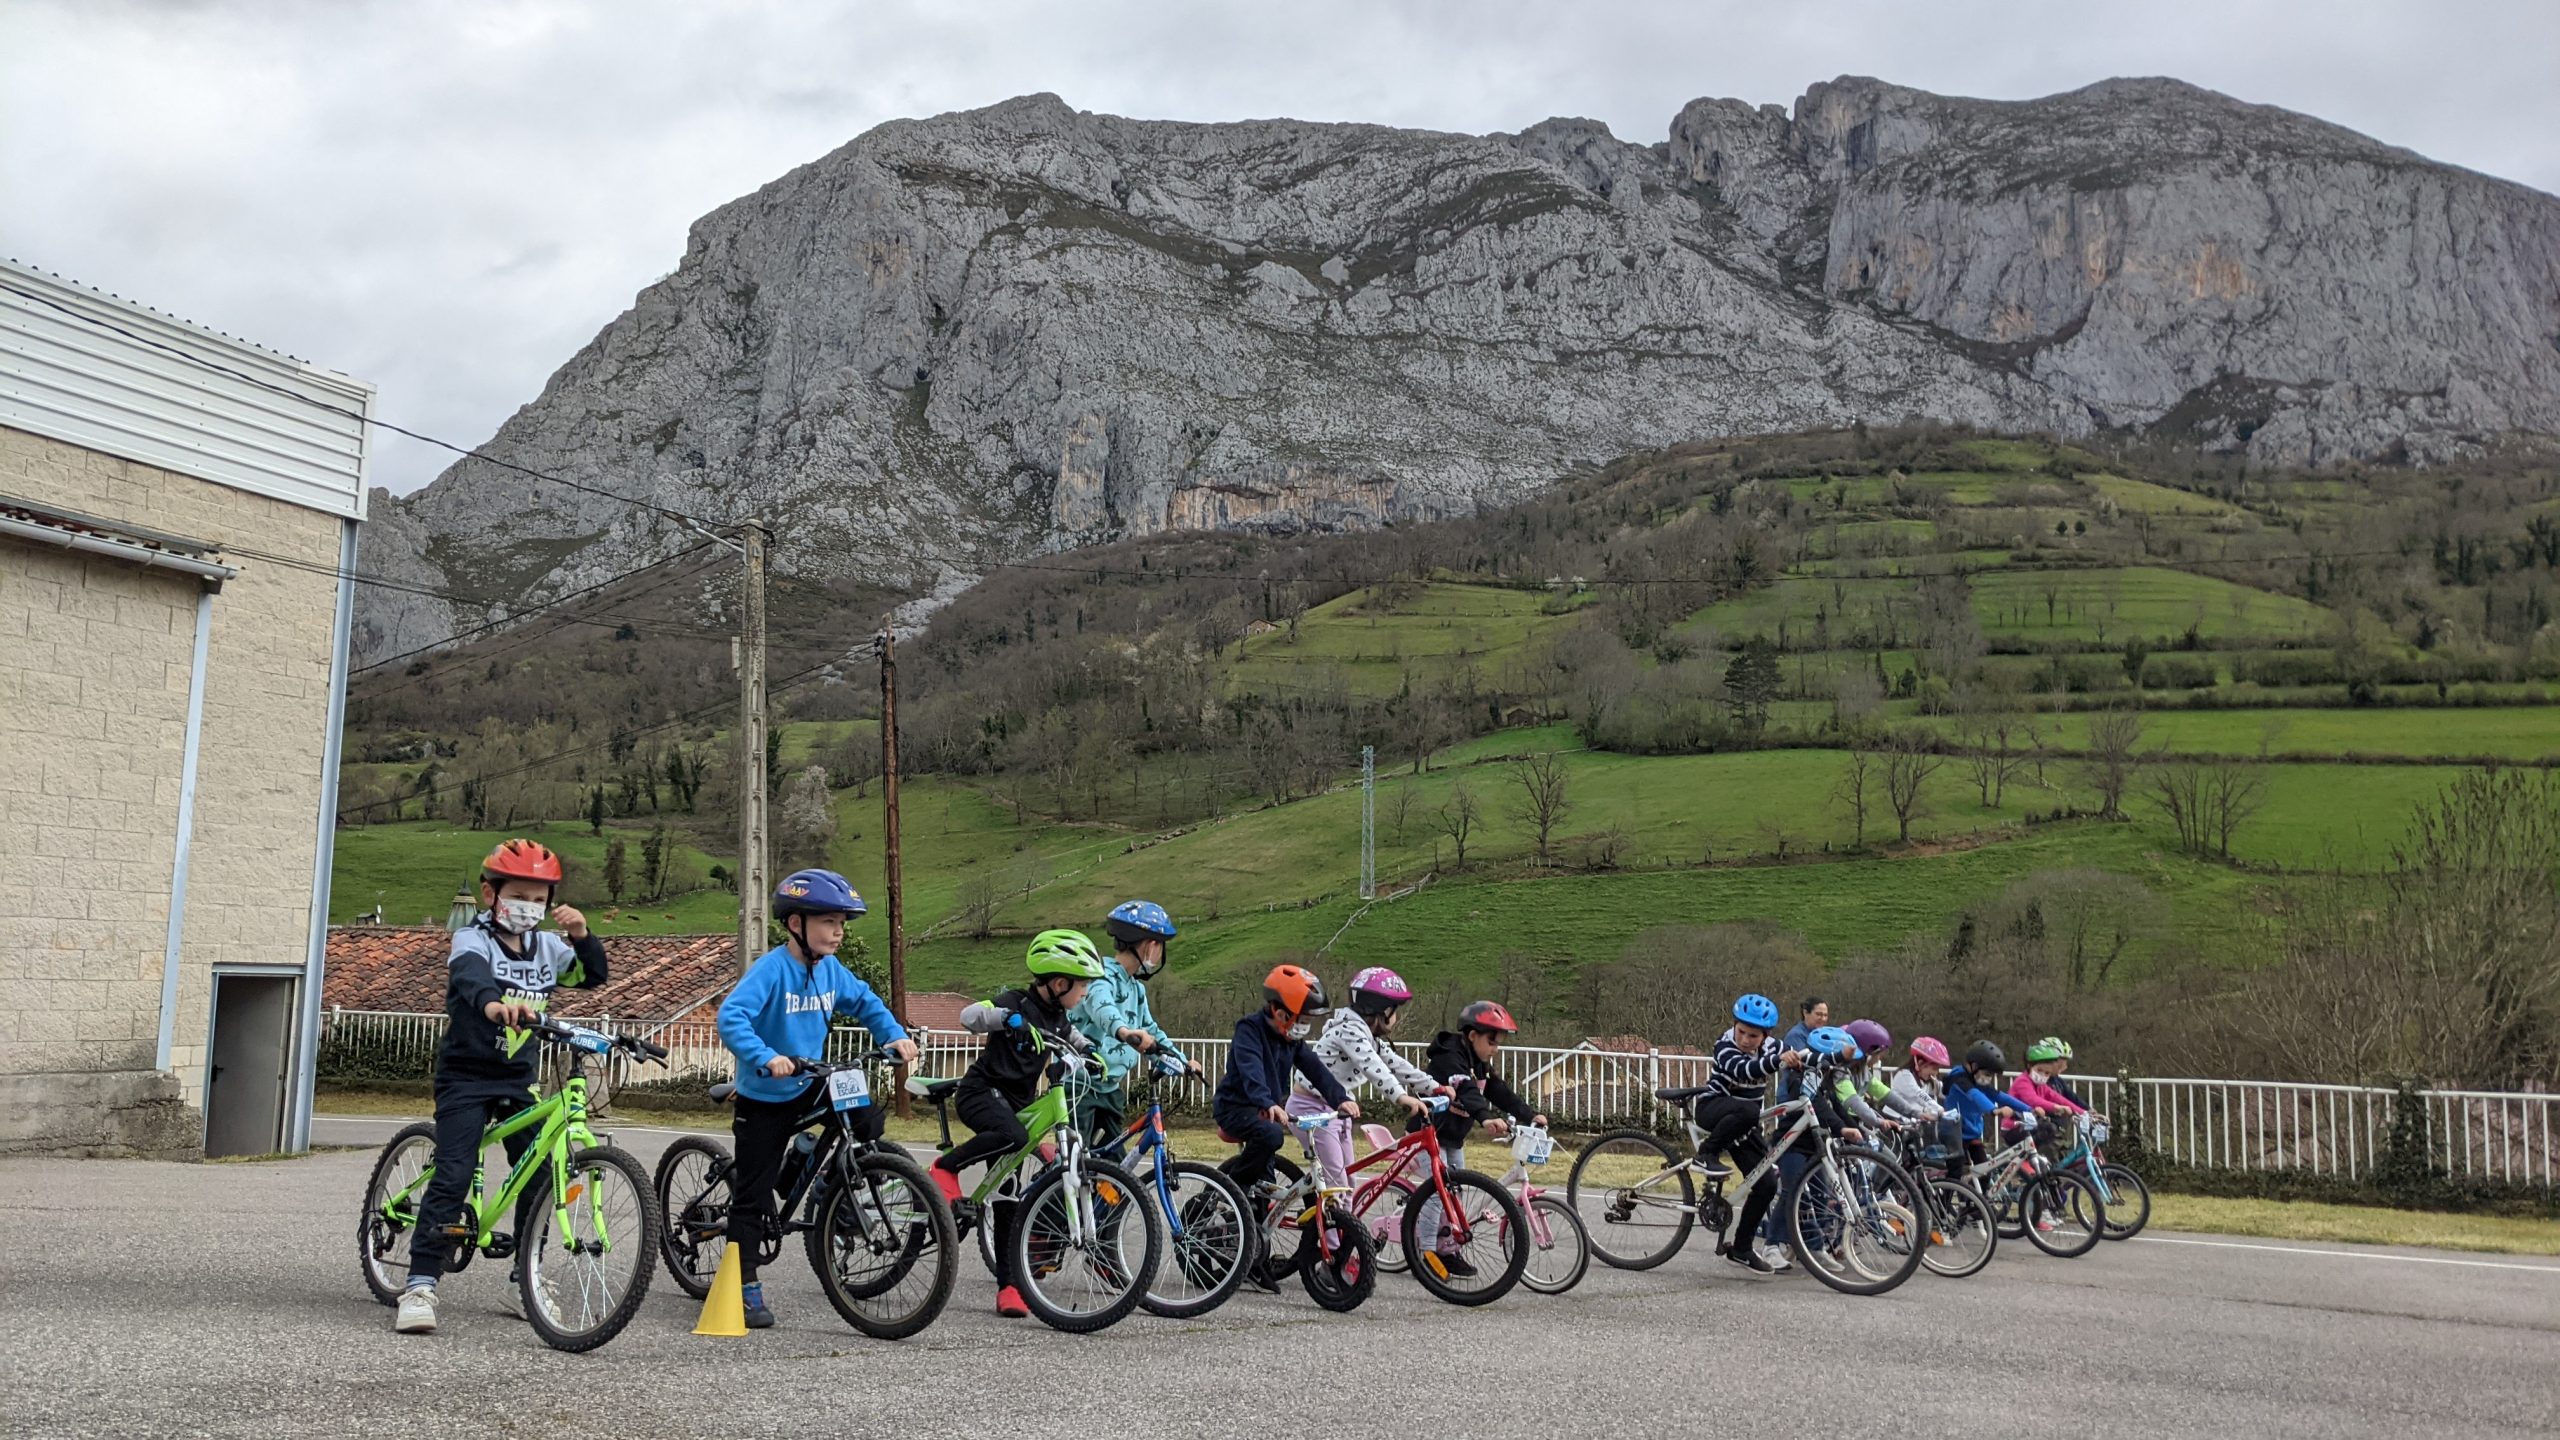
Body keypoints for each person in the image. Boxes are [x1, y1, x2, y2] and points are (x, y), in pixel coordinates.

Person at [395, 839, 607, 1336]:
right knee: (453, 1172)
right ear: (491, 894)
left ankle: (523, 1279)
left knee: (538, 1177)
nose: (529, 907)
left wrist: (581, 935)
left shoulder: (551, 948)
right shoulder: (474, 939)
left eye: (540, 899)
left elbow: (593, 975)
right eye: (519, 895)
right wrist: (494, 1005)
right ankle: (421, 1282)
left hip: (517, 1079)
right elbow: (469, 978)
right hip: (466, 1076)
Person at [713, 869, 919, 1329]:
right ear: (796, 924)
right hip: (766, 1093)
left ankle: (826, 1171)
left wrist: (895, 1036)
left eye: (842, 922)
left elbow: (865, 1002)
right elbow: (732, 1018)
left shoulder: (830, 970)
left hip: (811, 1080)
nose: (839, 930)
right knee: (753, 1195)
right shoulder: (772, 968)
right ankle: (744, 1282)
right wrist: (766, 1057)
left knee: (865, 1118)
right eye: (829, 921)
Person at [925, 929, 1107, 1318]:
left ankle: (1010, 1286)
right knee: (1014, 1136)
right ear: (1059, 983)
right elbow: (968, 1016)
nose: (1085, 993)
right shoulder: (1016, 1002)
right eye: (1083, 986)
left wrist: (1091, 1053)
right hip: (981, 1094)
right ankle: (945, 1167)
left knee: (1009, 1196)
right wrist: (1007, 1018)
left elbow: (1073, 1037)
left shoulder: (1059, 1016)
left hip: (1017, 1108)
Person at [1293, 966, 1444, 1189]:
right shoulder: (1350, 1031)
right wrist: (1402, 1098)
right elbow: (1373, 1067)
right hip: (1311, 1108)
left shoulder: (1365, 1035)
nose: (1396, 1017)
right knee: (1337, 1183)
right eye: (1394, 1010)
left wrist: (1434, 1087)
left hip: (1337, 1110)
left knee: (1348, 1181)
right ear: (1380, 1010)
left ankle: (1343, 1223)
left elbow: (1394, 1063)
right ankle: (1332, 1224)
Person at [1213, 965, 1357, 1198]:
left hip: (1266, 1112)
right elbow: (1252, 1071)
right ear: (1281, 1013)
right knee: (1271, 1136)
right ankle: (1229, 1191)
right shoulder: (1249, 1030)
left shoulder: (1291, 1039)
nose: (1307, 1025)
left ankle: (1254, 1227)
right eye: (1304, 1018)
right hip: (1236, 1108)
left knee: (1265, 1190)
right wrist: (1267, 1103)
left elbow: (1315, 1069)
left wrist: (1340, 1099)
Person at [1068, 900, 1199, 1144]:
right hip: (1080, 1087)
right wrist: (1125, 1032)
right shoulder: (1101, 975)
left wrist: (1182, 1062)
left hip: (1109, 1089)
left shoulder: (1135, 988)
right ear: (1150, 946)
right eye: (1160, 945)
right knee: (1078, 1161)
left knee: (1115, 1169)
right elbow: (1101, 1006)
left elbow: (1151, 1032)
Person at [1694, 993, 1806, 1275]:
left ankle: (1742, 1248)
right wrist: (1778, 1062)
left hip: (1743, 1123)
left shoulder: (1773, 1046)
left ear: (1765, 1035)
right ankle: (1706, 1153)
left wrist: (1818, 1059)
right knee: (1747, 1109)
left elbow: (1798, 1053)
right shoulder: (1724, 1045)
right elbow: (1744, 1070)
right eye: (1741, 1032)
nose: (1745, 1039)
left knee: (1767, 1183)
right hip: (1713, 1109)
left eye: (1753, 1036)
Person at [1760, 993, 1829, 1254]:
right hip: (1796, 1102)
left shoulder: (1821, 1035)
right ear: (1805, 1013)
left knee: (1814, 1186)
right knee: (1794, 1184)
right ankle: (1776, 1241)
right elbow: (1804, 1066)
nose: (1822, 1019)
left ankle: (1812, 1243)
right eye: (1818, 1014)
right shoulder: (1796, 1036)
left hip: (1813, 1104)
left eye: (1825, 1014)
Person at [1944, 1041, 2039, 1167]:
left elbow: (1998, 1095)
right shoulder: (1960, 1079)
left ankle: (1974, 1186)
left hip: (1971, 1133)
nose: (1989, 1078)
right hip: (1954, 1134)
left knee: (1984, 1171)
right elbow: (1975, 1095)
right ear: (1974, 1066)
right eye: (1988, 1074)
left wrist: (2029, 1109)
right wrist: (1994, 1110)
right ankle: (1949, 1186)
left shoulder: (1976, 1079)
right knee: (1956, 1172)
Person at [1891, 1035, 1960, 1157]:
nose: (1936, 1073)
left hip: (1913, 1128)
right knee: (1896, 1161)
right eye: (1934, 1068)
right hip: (1895, 1125)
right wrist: (1939, 1110)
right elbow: (1920, 1095)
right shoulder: (1904, 1076)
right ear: (1920, 1063)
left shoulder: (1929, 1081)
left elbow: (1945, 1091)